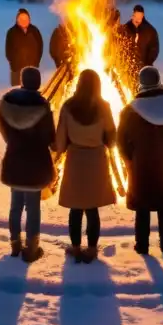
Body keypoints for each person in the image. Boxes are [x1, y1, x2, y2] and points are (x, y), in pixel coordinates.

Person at [117, 66, 163, 255]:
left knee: (142, 207)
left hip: (140, 167)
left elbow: (121, 141)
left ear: (141, 83)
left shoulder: (130, 111)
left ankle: (142, 245)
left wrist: (131, 159)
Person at [55, 69, 118, 263]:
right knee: (92, 208)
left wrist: (63, 148)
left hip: (75, 160)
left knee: (75, 208)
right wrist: (104, 144)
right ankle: (91, 249)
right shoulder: (104, 107)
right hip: (96, 160)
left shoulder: (67, 107)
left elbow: (59, 142)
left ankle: (75, 247)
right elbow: (112, 136)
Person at [0, 67, 56, 262]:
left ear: (22, 81)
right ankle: (32, 248)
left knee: (15, 205)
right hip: (35, 164)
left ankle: (15, 244)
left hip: (14, 160)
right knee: (33, 207)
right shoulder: (43, 106)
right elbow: (49, 137)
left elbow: (4, 129)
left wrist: (14, 143)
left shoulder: (7, 102)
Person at [5, 8, 45, 86]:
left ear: (29, 19)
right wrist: (13, 65)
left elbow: (40, 47)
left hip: (32, 68)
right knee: (17, 93)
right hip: (17, 69)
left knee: (31, 91)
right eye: (21, 18)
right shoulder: (12, 32)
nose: (24, 20)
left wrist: (36, 62)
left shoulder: (34, 31)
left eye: (26, 18)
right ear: (17, 19)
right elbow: (8, 51)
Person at [123, 4, 160, 69]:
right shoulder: (125, 29)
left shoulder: (150, 31)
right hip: (127, 67)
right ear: (132, 15)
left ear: (143, 16)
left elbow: (154, 49)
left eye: (139, 17)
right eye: (136, 17)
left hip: (143, 67)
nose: (137, 20)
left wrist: (147, 63)